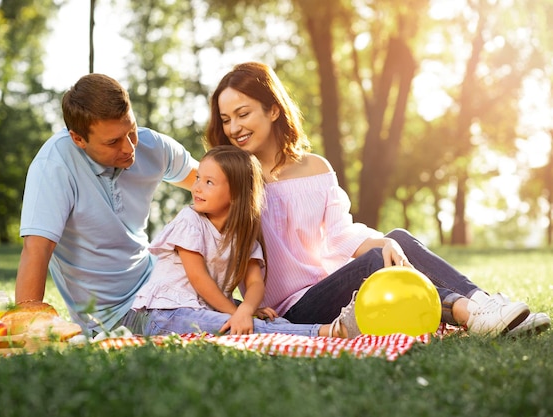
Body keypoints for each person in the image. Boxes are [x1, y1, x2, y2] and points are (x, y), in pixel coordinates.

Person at [205, 61, 551, 337]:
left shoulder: (315, 168)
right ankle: (468, 312)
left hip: (334, 286)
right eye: (226, 119)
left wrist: (382, 242)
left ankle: (483, 305)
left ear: (273, 110)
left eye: (243, 113)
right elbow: (217, 250)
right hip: (291, 310)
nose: (234, 127)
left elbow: (341, 234)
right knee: (375, 262)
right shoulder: (231, 179)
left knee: (394, 240)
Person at [15, 73, 199, 335]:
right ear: (78, 139)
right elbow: (37, 249)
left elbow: (215, 184)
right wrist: (26, 330)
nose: (129, 148)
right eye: (112, 142)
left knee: (235, 315)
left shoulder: (152, 146)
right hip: (115, 317)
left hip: (163, 286)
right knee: (227, 327)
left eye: (131, 131)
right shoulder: (54, 166)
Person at [127, 145, 356, 338]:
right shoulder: (190, 220)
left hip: (206, 309)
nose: (196, 187)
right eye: (198, 178)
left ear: (236, 194)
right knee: (241, 327)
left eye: (209, 182)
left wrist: (247, 308)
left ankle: (316, 332)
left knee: (273, 322)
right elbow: (199, 279)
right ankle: (328, 332)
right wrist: (237, 313)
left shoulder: (241, 236)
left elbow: (255, 283)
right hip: (165, 314)